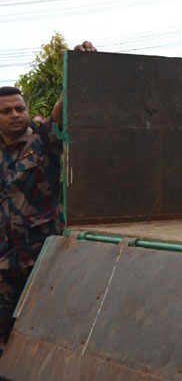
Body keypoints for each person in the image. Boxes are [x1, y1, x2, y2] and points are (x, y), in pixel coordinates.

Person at [0, 40, 96, 351]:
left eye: (20, 108)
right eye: (6, 111)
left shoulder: (42, 139)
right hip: (3, 263)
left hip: (42, 257)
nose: (16, 115)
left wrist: (79, 70)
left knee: (45, 336)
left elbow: (60, 113)